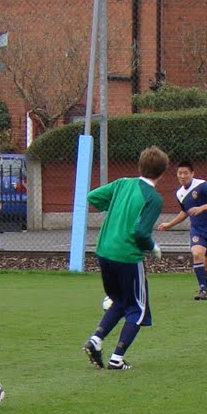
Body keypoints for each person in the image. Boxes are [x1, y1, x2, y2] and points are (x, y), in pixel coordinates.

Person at [83, 145, 167, 369]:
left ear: (139, 166)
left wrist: (113, 207)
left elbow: (93, 196)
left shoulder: (121, 183)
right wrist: (153, 247)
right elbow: (141, 233)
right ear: (162, 173)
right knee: (138, 309)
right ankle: (117, 359)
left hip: (104, 251)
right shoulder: (153, 198)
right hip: (127, 256)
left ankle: (96, 340)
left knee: (119, 302)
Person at [156, 158, 207, 299]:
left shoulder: (203, 185)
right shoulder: (179, 193)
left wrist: (201, 208)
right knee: (197, 254)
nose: (182, 176)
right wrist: (169, 224)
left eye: (185, 173)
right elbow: (185, 212)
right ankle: (203, 290)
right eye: (179, 173)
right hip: (197, 230)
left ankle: (204, 287)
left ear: (192, 173)